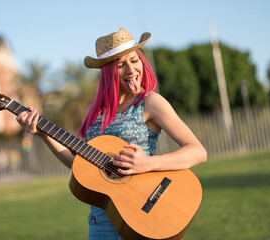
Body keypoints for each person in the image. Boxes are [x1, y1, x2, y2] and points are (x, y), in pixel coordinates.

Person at [16, 27, 207, 240]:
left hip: (143, 216)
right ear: (108, 72)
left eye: (135, 60)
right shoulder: (94, 111)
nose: (131, 69)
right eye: (121, 65)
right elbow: (77, 162)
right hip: (101, 221)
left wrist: (148, 163)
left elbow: (198, 152)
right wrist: (43, 134)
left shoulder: (151, 103)